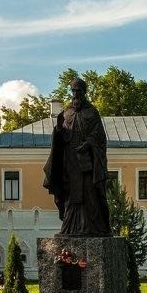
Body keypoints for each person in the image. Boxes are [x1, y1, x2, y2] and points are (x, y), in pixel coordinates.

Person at [43, 78, 111, 236]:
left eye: (78, 90)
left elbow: (99, 137)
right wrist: (59, 128)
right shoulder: (67, 112)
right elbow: (62, 137)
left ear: (84, 91)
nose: (75, 94)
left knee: (90, 192)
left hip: (87, 161)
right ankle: (70, 227)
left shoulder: (92, 112)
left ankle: (94, 227)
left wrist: (88, 144)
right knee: (70, 195)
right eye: (73, 91)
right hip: (70, 161)